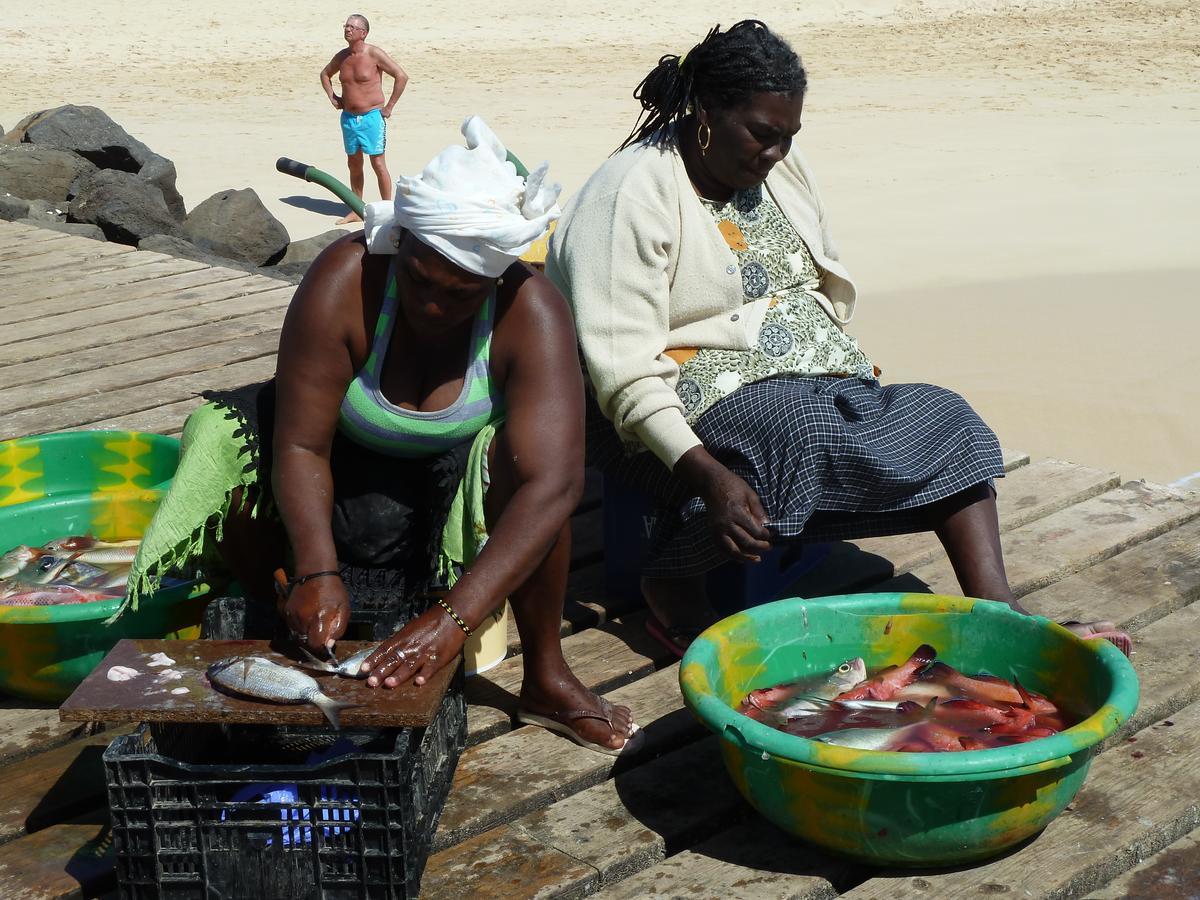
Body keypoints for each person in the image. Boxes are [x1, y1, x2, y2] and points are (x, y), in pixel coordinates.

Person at [546, 21, 1131, 658]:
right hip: (658, 409)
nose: (776, 154)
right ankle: (672, 576)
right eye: (763, 135)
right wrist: (710, 478)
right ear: (707, 112)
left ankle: (995, 604)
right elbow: (623, 376)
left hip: (796, 382)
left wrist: (834, 356)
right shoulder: (629, 196)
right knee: (796, 430)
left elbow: (815, 282)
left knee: (947, 418)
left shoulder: (777, 168)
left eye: (788, 137)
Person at [123, 117, 641, 756]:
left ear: (496, 280)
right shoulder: (347, 278)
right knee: (218, 434)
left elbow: (555, 484)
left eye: (459, 295)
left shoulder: (531, 310)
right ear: (402, 243)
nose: (430, 306)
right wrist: (316, 567)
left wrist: (452, 621)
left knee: (531, 471)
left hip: (446, 476)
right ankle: (282, 624)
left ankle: (546, 677)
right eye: (419, 279)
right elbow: (301, 444)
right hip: (337, 453)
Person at [321, 13, 409, 224]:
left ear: (364, 33)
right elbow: (325, 74)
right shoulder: (342, 57)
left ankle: (387, 209)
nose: (347, 29)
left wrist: (389, 106)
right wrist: (333, 97)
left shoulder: (374, 54)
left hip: (372, 117)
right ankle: (356, 208)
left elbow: (401, 76)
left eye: (352, 27)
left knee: (378, 163)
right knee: (353, 163)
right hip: (349, 118)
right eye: (346, 26)